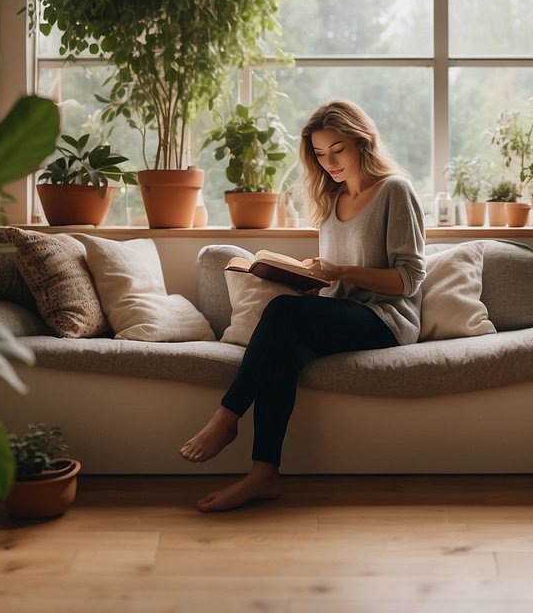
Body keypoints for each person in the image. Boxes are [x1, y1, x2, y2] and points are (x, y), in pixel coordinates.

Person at [179, 99, 426, 512]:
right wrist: (310, 283)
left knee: (280, 314)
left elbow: (409, 279)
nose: (328, 162)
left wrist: (341, 271)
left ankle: (226, 418)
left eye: (338, 150)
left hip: (386, 319)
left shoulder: (394, 191)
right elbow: (335, 282)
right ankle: (264, 475)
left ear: (362, 143)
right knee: (285, 352)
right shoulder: (331, 200)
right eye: (319, 153)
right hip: (343, 314)